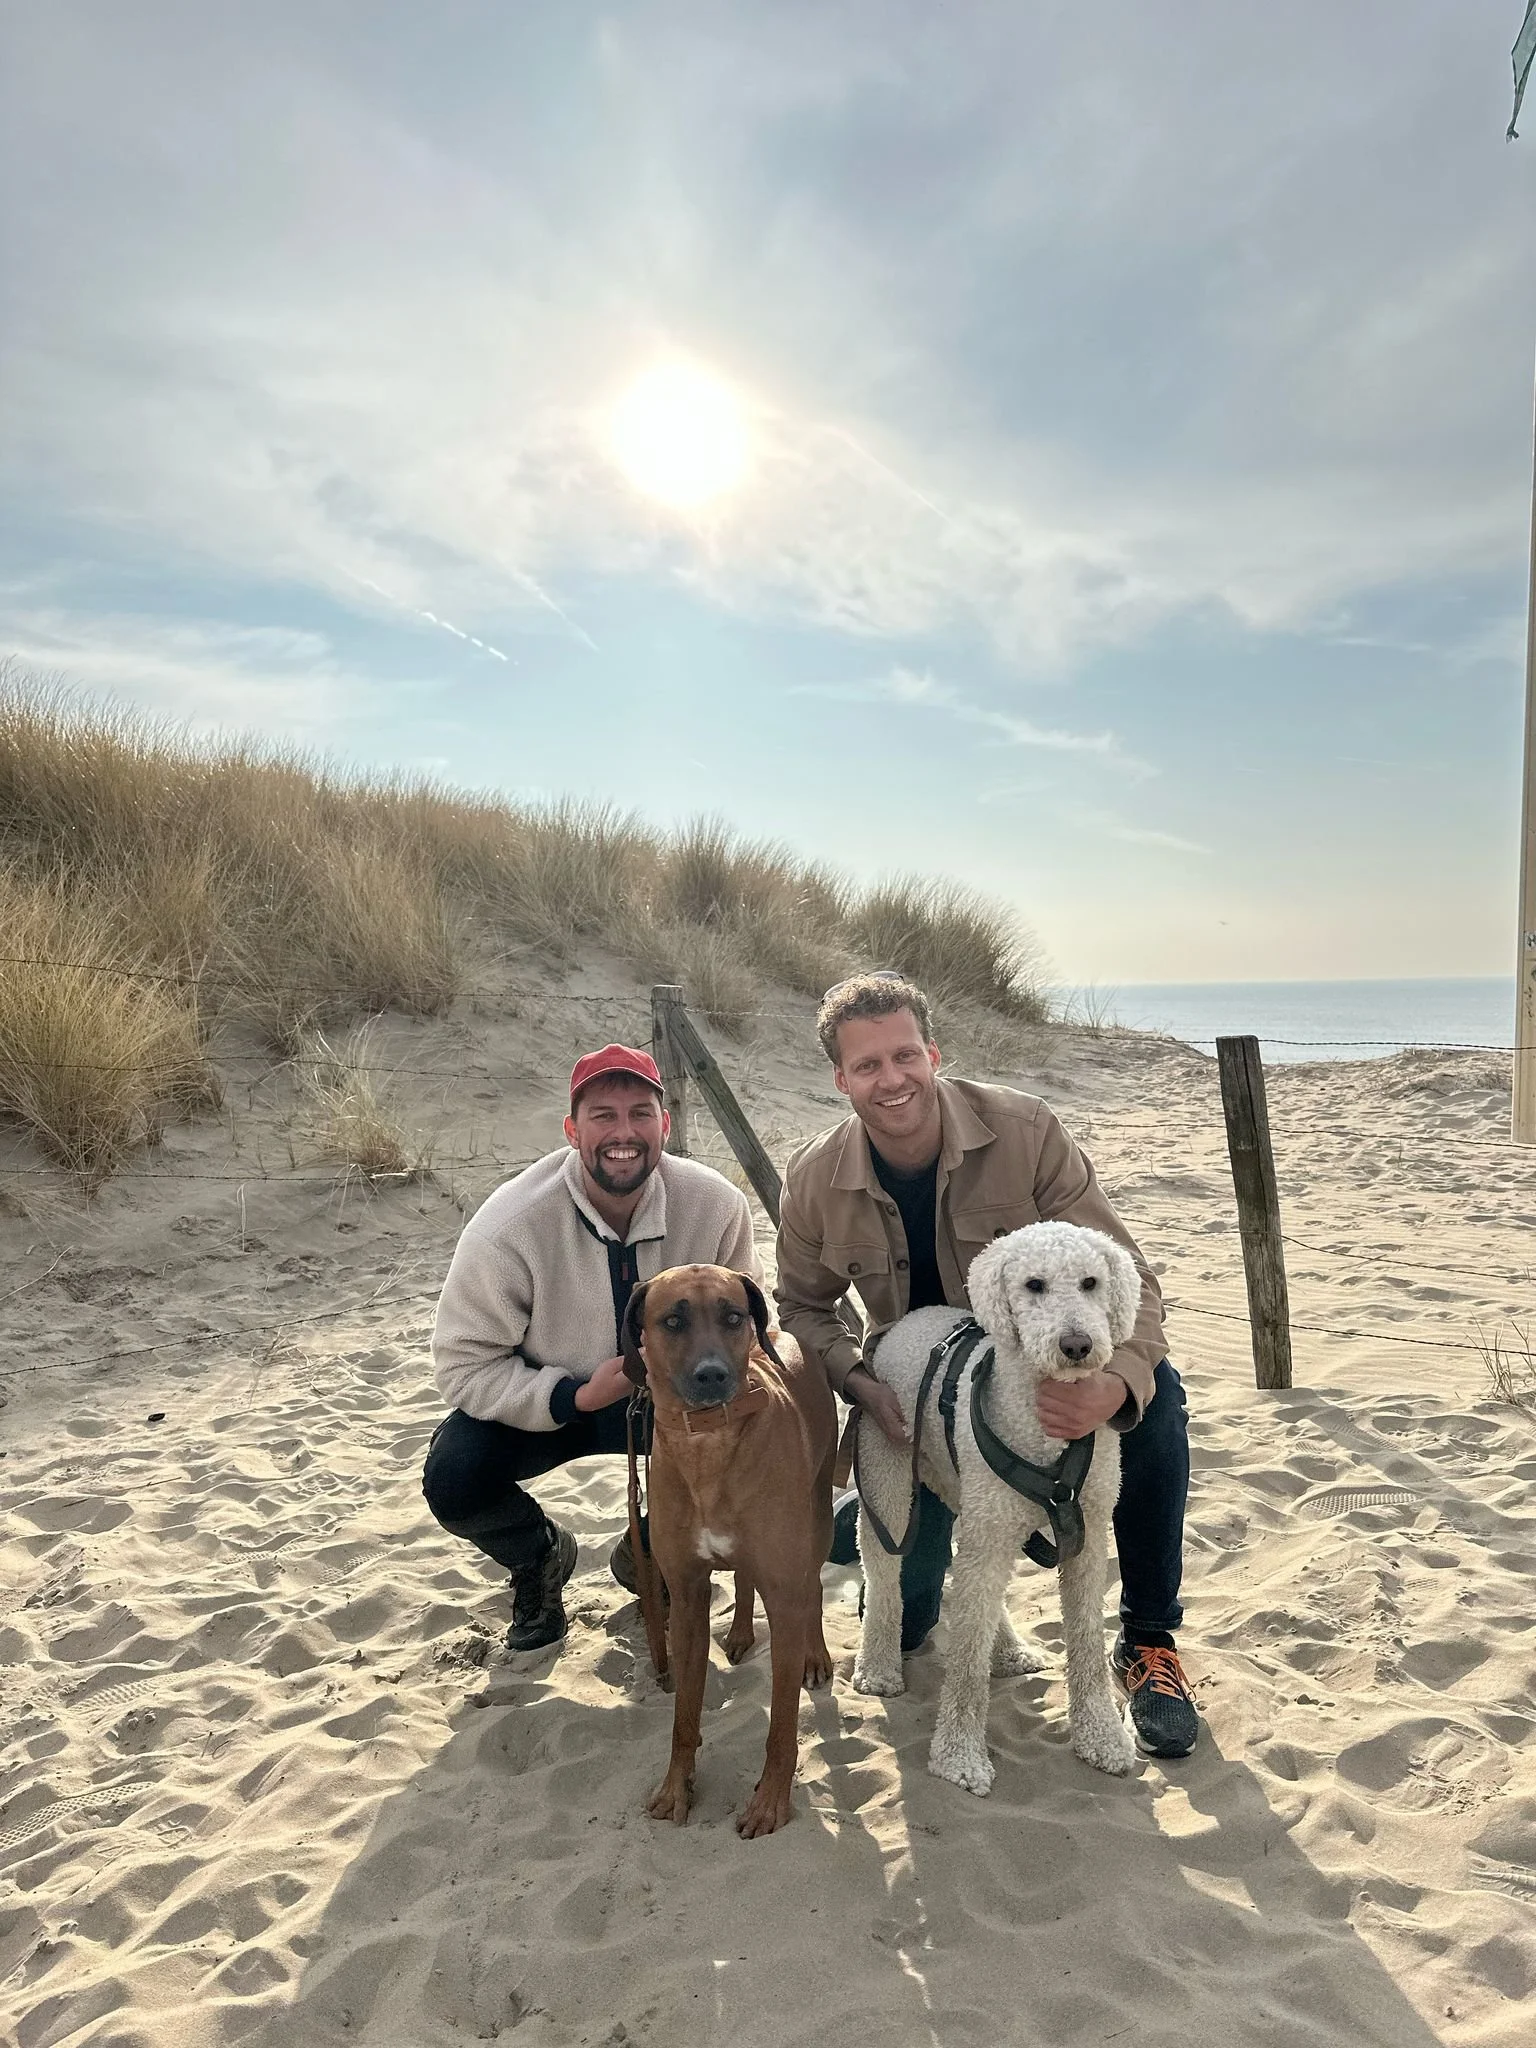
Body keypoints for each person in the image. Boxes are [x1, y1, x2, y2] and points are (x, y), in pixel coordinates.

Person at [774, 972, 1199, 1759]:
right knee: (910, 1625)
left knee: (1159, 1398)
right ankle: (876, 1524)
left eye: (905, 1056)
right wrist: (861, 1382)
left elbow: (1131, 1282)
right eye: (866, 1066)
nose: (891, 1079)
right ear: (841, 1079)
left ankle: (1147, 1640)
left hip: (1036, 1369)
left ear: (932, 1053)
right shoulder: (813, 1177)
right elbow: (801, 1309)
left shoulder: (1026, 1130)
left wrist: (1110, 1388)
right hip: (916, 1392)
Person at [423, 1044, 759, 1652]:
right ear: (572, 1130)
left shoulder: (717, 1205)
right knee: (456, 1475)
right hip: (558, 1403)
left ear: (666, 1125)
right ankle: (540, 1559)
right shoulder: (509, 1224)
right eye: (603, 1116)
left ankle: (651, 1553)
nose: (623, 1133)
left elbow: (754, 1332)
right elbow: (463, 1365)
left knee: (759, 1447)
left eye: (641, 1114)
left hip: (679, 1401)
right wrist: (573, 1395)